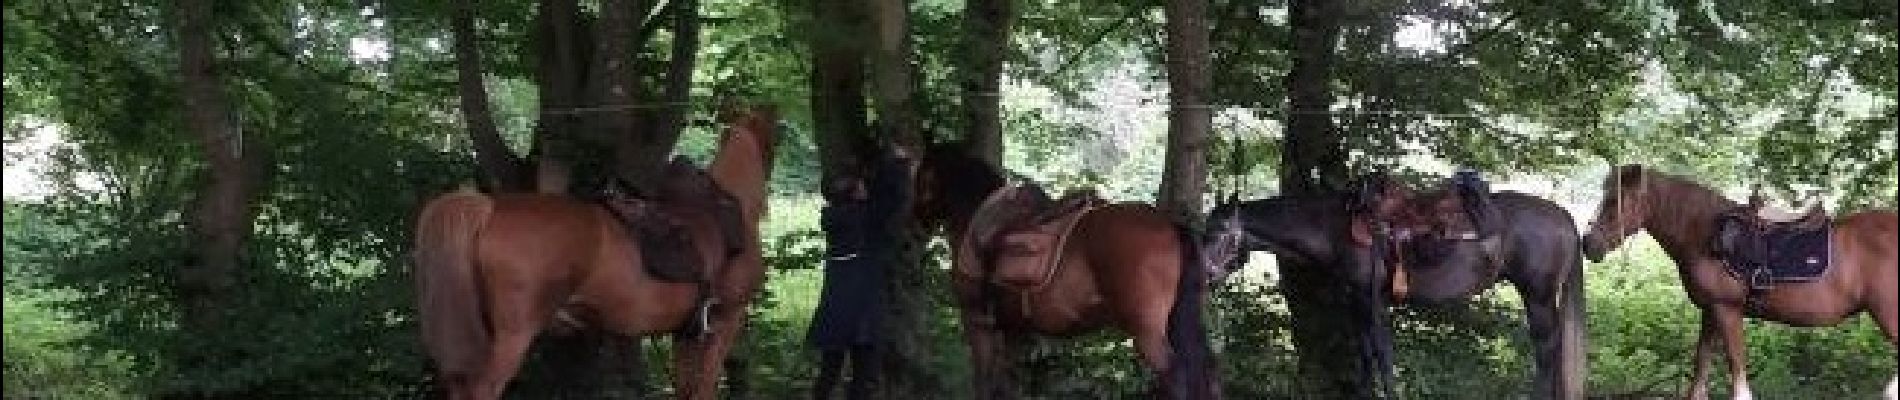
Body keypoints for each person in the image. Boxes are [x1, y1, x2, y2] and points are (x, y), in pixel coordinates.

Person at [807, 144, 913, 400]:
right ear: (855, 195)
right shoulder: (867, 219)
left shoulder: (835, 217)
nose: (866, 186)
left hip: (835, 308)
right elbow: (894, 198)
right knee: (864, 377)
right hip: (863, 309)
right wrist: (899, 163)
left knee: (829, 372)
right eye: (860, 185)